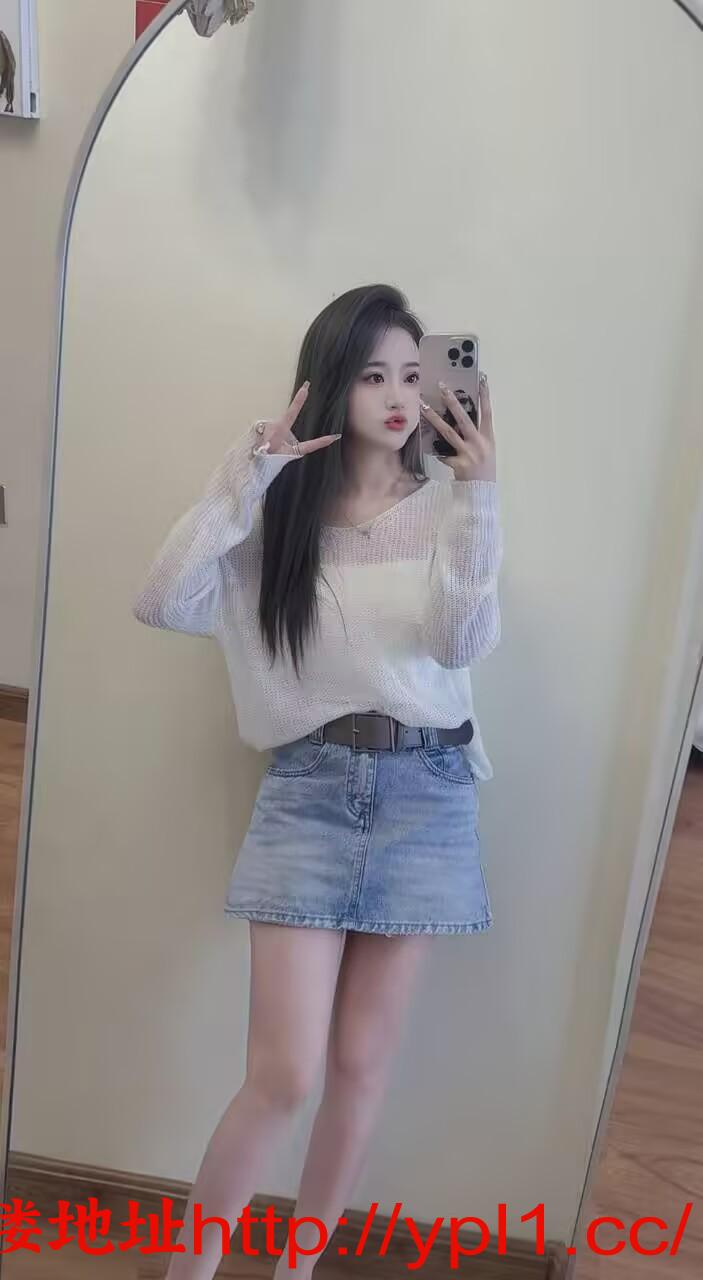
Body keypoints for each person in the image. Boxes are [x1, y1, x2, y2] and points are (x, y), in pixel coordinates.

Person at [133, 283, 502, 1280]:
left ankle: (296, 1270)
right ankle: (189, 1271)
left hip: (427, 797)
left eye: (413, 375)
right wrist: (244, 477)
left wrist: (478, 495)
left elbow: (459, 640)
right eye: (373, 374)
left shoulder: (449, 510)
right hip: (308, 791)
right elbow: (161, 600)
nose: (398, 395)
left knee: (359, 1068)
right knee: (284, 1073)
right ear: (330, 384)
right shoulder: (275, 521)